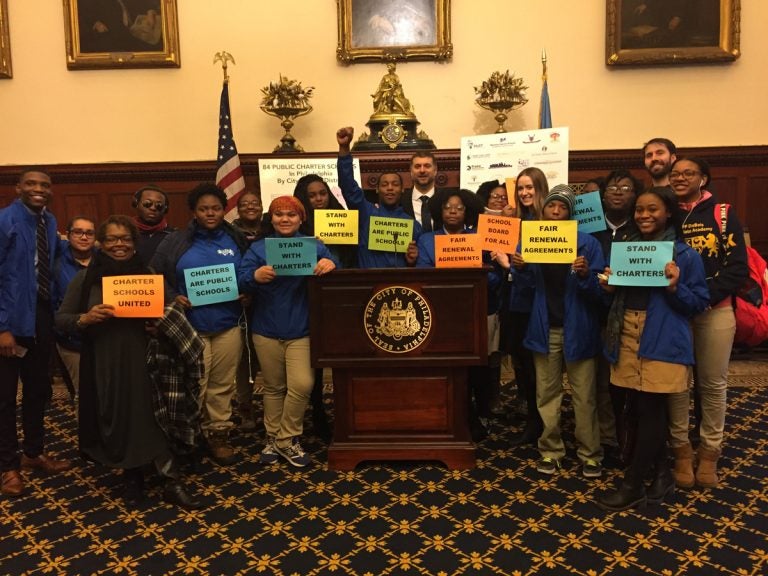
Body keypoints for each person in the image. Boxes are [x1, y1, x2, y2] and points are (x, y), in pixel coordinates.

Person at [54, 215, 201, 508]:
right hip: (106, 360)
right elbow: (60, 320)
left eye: (126, 239)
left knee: (154, 416)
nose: (119, 244)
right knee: (120, 416)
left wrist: (157, 324)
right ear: (102, 243)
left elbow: (167, 315)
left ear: (134, 243)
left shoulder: (145, 275)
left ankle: (171, 480)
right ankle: (132, 477)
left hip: (146, 359)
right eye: (112, 239)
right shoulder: (87, 279)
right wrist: (85, 318)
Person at [596, 186, 709, 511]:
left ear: (668, 213)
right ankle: (662, 473)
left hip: (662, 335)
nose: (644, 215)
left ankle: (633, 484)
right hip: (627, 330)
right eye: (640, 210)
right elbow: (613, 294)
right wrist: (608, 285)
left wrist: (676, 288)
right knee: (638, 406)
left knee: (651, 408)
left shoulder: (684, 255)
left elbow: (700, 302)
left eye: (652, 210)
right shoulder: (626, 249)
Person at [151, 183, 248, 467]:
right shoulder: (176, 241)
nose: (210, 213)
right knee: (196, 384)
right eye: (204, 209)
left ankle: (218, 433)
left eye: (216, 208)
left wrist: (246, 290)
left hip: (228, 324)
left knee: (222, 384)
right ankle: (189, 436)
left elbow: (247, 269)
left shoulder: (237, 238)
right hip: (190, 328)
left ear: (224, 210)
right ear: (194, 211)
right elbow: (153, 274)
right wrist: (173, 296)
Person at [511, 185, 605, 477]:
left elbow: (601, 293)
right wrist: (523, 270)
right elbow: (524, 290)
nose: (555, 211)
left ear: (570, 213)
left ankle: (590, 453)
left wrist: (586, 275)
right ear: (543, 210)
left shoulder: (587, 244)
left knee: (584, 396)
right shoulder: (530, 241)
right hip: (544, 327)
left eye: (562, 208)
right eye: (551, 206)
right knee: (547, 394)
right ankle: (550, 451)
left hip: (579, 328)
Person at [238, 196, 338, 468]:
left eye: (291, 214)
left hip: (302, 330)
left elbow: (335, 264)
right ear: (271, 219)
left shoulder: (314, 246)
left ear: (301, 219)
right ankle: (274, 438)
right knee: (273, 388)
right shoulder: (259, 249)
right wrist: (254, 277)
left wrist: (331, 265)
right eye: (279, 214)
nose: (285, 219)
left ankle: (286, 438)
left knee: (302, 384)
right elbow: (240, 278)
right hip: (266, 329)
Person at [667, 157, 748, 489]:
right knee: (675, 385)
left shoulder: (723, 213)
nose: (681, 178)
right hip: (674, 309)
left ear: (704, 178)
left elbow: (737, 269)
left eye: (689, 173)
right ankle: (682, 452)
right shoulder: (665, 213)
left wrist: (699, 296)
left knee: (713, 385)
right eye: (675, 174)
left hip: (715, 311)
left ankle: (710, 451)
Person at [0, 169, 71, 497]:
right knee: (4, 399)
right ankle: (8, 467)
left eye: (44, 185)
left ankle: (33, 452)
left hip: (41, 316)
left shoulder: (50, 222)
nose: (38, 189)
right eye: (31, 184)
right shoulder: (5, 221)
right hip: (9, 320)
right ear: (17, 188)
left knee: (37, 390)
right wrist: (2, 327)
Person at [416, 189, 504, 441]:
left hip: (475, 312)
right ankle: (450, 416)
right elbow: (422, 276)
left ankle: (480, 414)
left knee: (477, 368)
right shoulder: (426, 240)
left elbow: (496, 277)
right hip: (439, 315)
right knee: (448, 369)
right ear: (439, 212)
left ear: (468, 212)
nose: (453, 211)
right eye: (447, 207)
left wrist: (479, 272)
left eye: (459, 208)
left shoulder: (479, 238)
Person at [293, 174, 358, 443]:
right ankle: (317, 414)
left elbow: (353, 260)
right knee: (313, 364)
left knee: (343, 360)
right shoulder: (296, 227)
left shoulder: (342, 220)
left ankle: (346, 416)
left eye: (322, 193)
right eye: (312, 195)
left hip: (339, 301)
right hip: (306, 301)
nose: (319, 199)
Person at [591, 169, 644, 462]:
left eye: (625, 187)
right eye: (613, 187)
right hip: (595, 315)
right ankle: (609, 439)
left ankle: (633, 439)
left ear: (634, 194)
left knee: (632, 383)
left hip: (632, 314)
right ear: (603, 194)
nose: (618, 192)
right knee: (601, 383)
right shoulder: (589, 230)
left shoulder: (642, 230)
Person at [505, 167, 549, 446]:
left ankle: (542, 423)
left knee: (540, 367)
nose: (524, 193)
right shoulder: (517, 222)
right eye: (520, 188)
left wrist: (509, 264)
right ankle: (532, 418)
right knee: (522, 364)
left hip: (540, 304)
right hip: (516, 303)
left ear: (540, 188)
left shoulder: (549, 222)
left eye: (530, 187)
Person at [336, 126, 421, 268]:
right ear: (377, 189)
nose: (389, 188)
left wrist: (412, 259)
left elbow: (418, 263)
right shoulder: (366, 213)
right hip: (367, 284)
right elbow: (349, 188)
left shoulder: (413, 226)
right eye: (384, 184)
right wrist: (344, 148)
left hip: (399, 286)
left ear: (402, 190)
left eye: (394, 184)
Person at [230, 191, 264, 432]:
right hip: (239, 302)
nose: (250, 207)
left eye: (255, 203)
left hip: (269, 302)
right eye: (245, 204)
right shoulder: (228, 234)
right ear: (237, 209)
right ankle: (245, 405)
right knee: (244, 358)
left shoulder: (271, 231)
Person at [53, 215, 98, 390]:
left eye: (89, 233)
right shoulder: (56, 264)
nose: (84, 237)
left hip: (101, 340)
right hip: (71, 342)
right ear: (68, 235)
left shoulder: (104, 260)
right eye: (78, 232)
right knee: (82, 394)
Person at [132, 184, 175, 266]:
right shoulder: (126, 233)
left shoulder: (174, 236)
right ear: (136, 204)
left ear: (165, 209)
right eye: (147, 203)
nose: (153, 208)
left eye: (159, 205)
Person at [401, 152, 439, 232]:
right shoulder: (399, 201)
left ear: (435, 171)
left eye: (427, 166)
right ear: (411, 172)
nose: (422, 170)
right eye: (417, 166)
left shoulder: (446, 199)